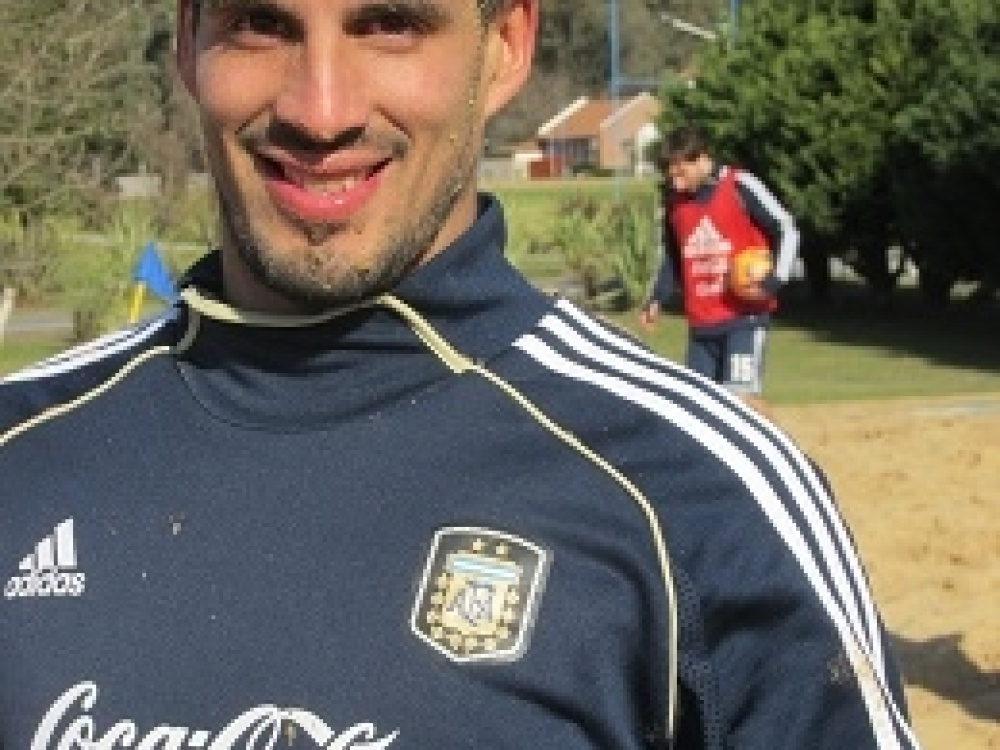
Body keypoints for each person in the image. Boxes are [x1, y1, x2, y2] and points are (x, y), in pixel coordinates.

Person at [0, 1, 919, 747]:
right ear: (187, 42)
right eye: (259, 25)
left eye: (391, 24)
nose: (321, 111)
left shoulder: (696, 496)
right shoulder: (23, 447)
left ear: (505, 46)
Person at [639, 124, 800, 415]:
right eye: (670, 176)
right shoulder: (675, 203)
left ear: (702, 158)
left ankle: (768, 440)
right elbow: (672, 254)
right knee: (699, 410)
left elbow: (786, 228)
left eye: (681, 173)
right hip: (702, 325)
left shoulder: (739, 185)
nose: (676, 183)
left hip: (744, 319)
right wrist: (657, 297)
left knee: (739, 404)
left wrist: (776, 278)